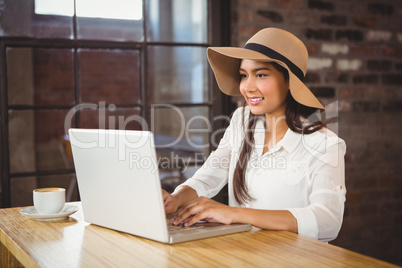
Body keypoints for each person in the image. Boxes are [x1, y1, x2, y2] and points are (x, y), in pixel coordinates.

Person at [162, 27, 346, 242]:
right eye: (244, 75)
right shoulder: (241, 120)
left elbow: (328, 221)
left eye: (260, 75)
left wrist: (234, 214)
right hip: (242, 257)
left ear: (289, 82)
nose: (247, 87)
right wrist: (176, 199)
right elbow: (210, 175)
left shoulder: (325, 145)